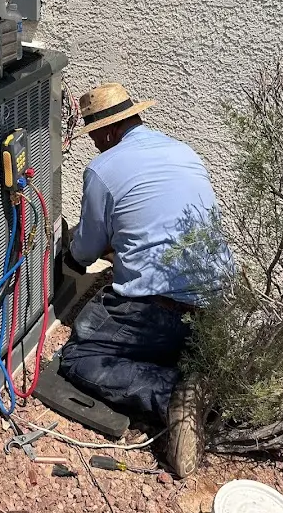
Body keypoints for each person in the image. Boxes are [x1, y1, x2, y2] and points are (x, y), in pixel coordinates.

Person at [60, 83, 234, 477]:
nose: (95, 145)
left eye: (94, 136)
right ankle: (201, 373)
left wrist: (70, 256)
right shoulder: (182, 151)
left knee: (79, 356)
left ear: (108, 131)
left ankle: (171, 395)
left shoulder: (103, 170)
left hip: (161, 311)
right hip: (215, 307)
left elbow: (85, 251)